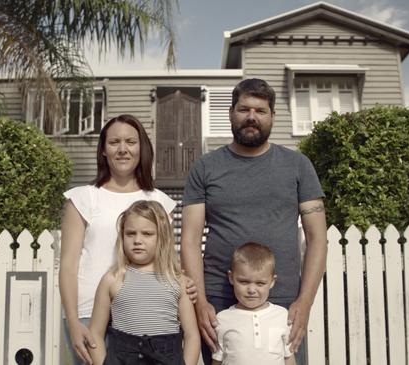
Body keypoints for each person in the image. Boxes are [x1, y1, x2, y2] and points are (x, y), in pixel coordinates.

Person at [180, 78, 327, 365]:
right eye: (244, 109)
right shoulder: (205, 167)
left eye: (260, 111)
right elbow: (189, 239)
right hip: (219, 301)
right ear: (231, 113)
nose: (251, 117)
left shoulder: (298, 166)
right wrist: (201, 305)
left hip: (282, 301)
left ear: (272, 116)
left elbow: (317, 238)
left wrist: (305, 302)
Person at [60, 114, 177, 365]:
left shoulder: (159, 201)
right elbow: (68, 266)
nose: (123, 149)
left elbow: (168, 263)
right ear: (103, 150)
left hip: (144, 320)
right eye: (114, 142)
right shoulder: (83, 199)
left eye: (130, 142)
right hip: (87, 314)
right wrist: (72, 322)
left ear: (141, 148)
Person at [88, 200, 201, 365]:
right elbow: (95, 333)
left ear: (162, 237)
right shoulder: (112, 279)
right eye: (130, 233)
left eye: (147, 234)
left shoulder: (178, 282)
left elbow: (192, 335)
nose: (137, 240)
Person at [212, 242, 296, 365]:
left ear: (272, 282)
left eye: (260, 283)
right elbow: (217, 360)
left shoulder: (282, 316)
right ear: (231, 278)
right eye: (244, 282)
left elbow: (289, 358)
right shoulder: (222, 319)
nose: (251, 290)